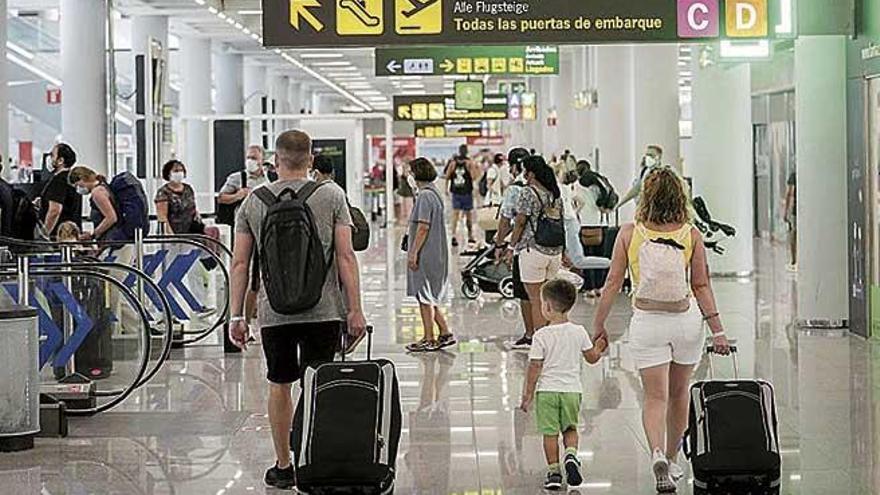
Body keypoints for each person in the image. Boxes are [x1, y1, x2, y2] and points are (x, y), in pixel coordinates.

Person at [228, 129, 367, 490]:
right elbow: (346, 257)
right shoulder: (331, 194)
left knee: (280, 384)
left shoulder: (253, 202)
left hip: (275, 313)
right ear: (310, 161)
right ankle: (316, 459)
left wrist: (237, 316)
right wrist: (355, 310)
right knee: (319, 383)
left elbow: (240, 264)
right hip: (324, 311)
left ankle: (284, 464)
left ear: (275, 162)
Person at [591, 167, 730, 493]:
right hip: (685, 324)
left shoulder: (629, 233)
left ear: (646, 197)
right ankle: (672, 458)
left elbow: (612, 282)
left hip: (647, 323)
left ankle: (656, 453)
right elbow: (700, 285)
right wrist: (719, 331)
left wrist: (598, 324)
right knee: (679, 394)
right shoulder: (691, 234)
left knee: (654, 397)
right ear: (680, 197)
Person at [520, 279, 608, 490]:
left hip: (547, 393)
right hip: (571, 391)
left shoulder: (541, 335)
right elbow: (592, 358)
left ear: (548, 307)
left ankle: (553, 473)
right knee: (570, 429)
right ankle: (570, 455)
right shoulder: (578, 331)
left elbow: (534, 367)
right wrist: (600, 345)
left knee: (550, 433)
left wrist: (527, 395)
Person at [504, 155, 564, 350]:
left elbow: (520, 222)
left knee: (535, 299)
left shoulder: (528, 192)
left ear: (530, 173)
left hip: (533, 250)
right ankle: (551, 338)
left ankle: (539, 342)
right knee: (548, 299)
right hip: (554, 251)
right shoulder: (554, 193)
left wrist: (511, 246)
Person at [404, 157, 455, 353]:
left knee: (424, 297)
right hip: (436, 252)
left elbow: (423, 227)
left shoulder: (425, 196)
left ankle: (429, 338)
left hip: (426, 253)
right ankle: (444, 332)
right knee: (428, 296)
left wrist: (413, 253)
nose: (408, 175)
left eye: (410, 172)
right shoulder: (434, 193)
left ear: (417, 173)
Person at [494, 147, 533, 349]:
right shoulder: (547, 185)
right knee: (542, 292)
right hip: (549, 247)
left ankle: (530, 334)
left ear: (515, 166)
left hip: (524, 248)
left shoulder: (515, 189)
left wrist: (501, 244)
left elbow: (506, 221)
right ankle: (546, 332)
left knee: (525, 293)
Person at [573, 160, 609, 297]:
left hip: (584, 224)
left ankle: (589, 288)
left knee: (586, 258)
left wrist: (575, 212)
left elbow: (578, 202)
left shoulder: (577, 185)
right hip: (600, 224)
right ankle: (600, 286)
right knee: (600, 256)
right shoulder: (598, 184)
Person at [38, 143, 82, 238]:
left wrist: (44, 234)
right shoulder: (71, 179)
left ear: (61, 160)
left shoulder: (58, 181)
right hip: (71, 233)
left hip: (58, 235)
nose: (50, 158)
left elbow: (55, 210)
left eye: (52, 155)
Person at [67, 166, 120, 241]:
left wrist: (93, 234)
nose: (78, 189)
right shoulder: (103, 185)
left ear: (82, 179)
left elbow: (111, 218)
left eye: (77, 186)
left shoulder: (97, 193)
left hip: (111, 238)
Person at [445, 144, 481, 248]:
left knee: (456, 216)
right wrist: (475, 167)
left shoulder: (453, 163)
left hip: (457, 192)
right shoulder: (469, 163)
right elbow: (474, 177)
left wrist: (446, 189)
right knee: (467, 216)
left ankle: (454, 236)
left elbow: (447, 176)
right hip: (465, 192)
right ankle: (469, 236)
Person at [218, 145, 271, 214]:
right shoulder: (237, 177)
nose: (250, 161)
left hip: (264, 219)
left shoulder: (269, 178)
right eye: (248, 158)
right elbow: (221, 198)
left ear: (262, 160)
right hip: (243, 220)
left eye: (254, 158)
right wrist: (237, 196)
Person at [617, 144, 664, 209]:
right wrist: (620, 204)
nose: (648, 157)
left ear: (658, 157)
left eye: (651, 155)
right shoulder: (644, 171)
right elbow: (636, 188)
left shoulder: (662, 175)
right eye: (647, 155)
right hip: (643, 208)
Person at [784, 170, 797, 272]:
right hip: (806, 209)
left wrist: (786, 211)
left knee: (794, 233)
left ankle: (794, 261)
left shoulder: (794, 175)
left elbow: (789, 193)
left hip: (796, 209)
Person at [396, 159, 415, 224]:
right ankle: (404, 220)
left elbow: (412, 185)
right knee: (403, 207)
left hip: (408, 193)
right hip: (403, 193)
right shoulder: (403, 175)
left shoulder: (409, 176)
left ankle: (408, 221)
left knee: (408, 207)